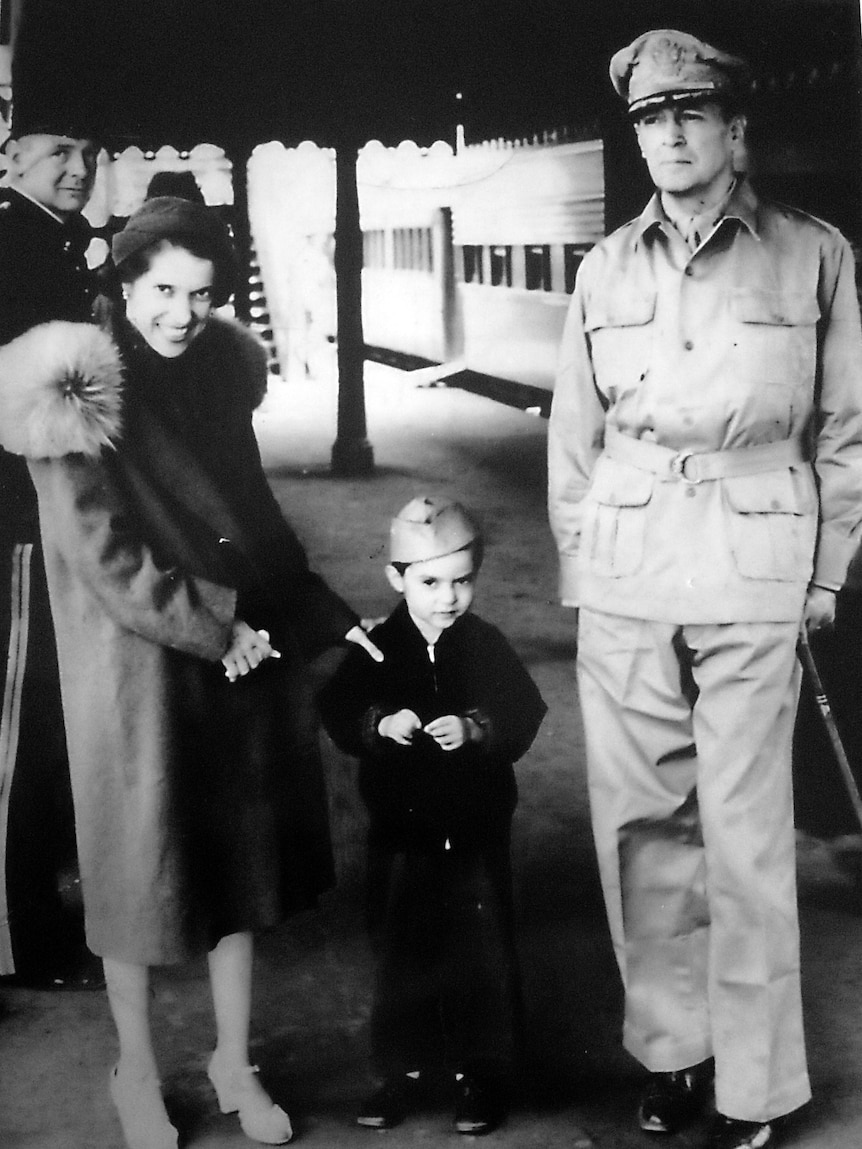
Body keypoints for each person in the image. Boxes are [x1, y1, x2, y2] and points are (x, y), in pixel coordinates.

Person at [0, 195, 382, 1149]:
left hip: (231, 649)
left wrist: (321, 614)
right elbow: (103, 554)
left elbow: (250, 511)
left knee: (241, 868)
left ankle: (231, 1062)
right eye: (163, 290)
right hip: (134, 665)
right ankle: (136, 1070)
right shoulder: (69, 385)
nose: (181, 312)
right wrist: (223, 628)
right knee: (137, 876)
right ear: (123, 284)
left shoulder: (214, 368)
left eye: (202, 294)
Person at [547, 29, 862, 1149]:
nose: (668, 134)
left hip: (753, 560)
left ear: (735, 129)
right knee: (642, 828)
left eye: (690, 114)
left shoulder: (809, 253)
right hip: (633, 563)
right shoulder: (603, 267)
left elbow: (844, 427)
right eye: (648, 118)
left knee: (743, 831)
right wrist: (585, 569)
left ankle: (759, 1086)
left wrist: (824, 570)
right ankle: (674, 1054)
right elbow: (574, 439)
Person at [317, 496, 546, 1136]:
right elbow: (337, 709)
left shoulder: (486, 645)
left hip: (475, 830)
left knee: (481, 950)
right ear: (396, 578)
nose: (448, 598)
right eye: (429, 582)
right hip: (403, 834)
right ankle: (403, 1071)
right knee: (403, 950)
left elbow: (524, 710)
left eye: (462, 580)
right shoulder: (376, 648)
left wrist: (478, 729)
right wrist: (379, 723)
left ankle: (482, 1074)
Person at [0, 110, 102, 986]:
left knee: (43, 726)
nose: (81, 168)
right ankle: (20, 934)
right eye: (61, 151)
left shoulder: (50, 243)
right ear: (12, 154)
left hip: (41, 514)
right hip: (16, 522)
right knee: (17, 733)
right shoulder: (17, 246)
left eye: (91, 152)